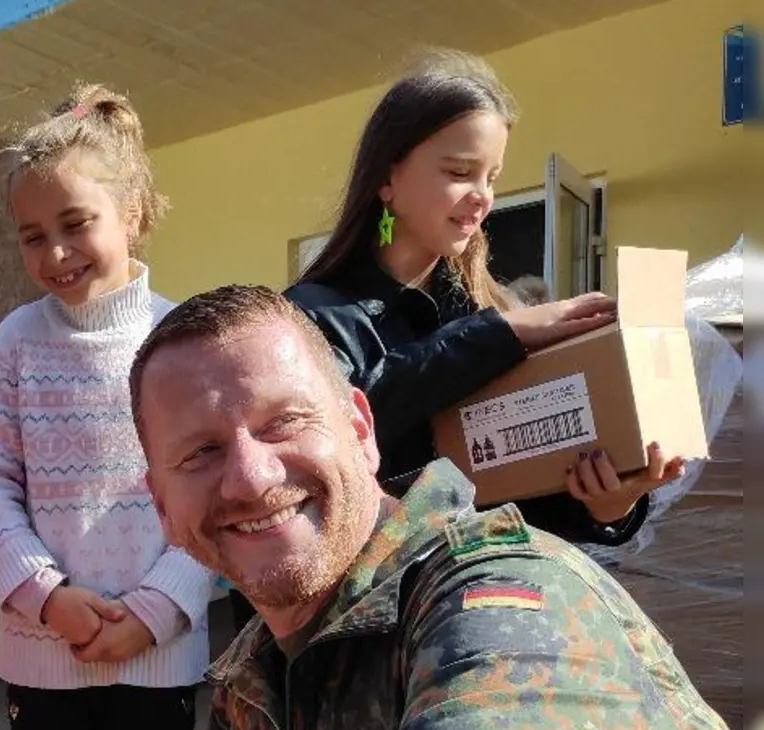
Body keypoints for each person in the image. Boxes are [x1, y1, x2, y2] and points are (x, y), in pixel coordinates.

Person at [127, 284, 743, 730]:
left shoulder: (515, 609)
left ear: (361, 430)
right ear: (160, 504)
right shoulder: (257, 679)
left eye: (284, 421)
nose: (251, 478)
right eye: (200, 452)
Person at [0, 83, 217, 730]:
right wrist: (47, 596)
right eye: (34, 236)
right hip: (46, 659)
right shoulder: (14, 343)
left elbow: (213, 492)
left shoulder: (182, 342)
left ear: (133, 210)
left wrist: (156, 609)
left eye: (77, 225)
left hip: (160, 656)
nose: (57, 253)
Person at [284, 50, 680, 546]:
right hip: (368, 611)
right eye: (458, 172)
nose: (482, 196)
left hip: (486, 602)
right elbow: (345, 429)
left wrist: (607, 505)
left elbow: (515, 489)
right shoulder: (309, 318)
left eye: (491, 177)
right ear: (388, 178)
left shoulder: (490, 315)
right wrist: (502, 335)